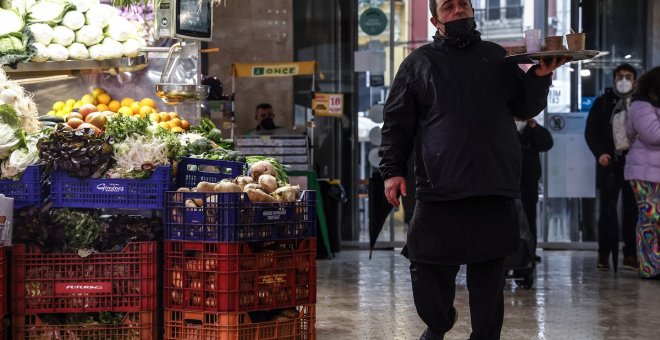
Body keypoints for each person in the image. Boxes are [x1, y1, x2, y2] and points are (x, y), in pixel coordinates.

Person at [379, 0, 566, 339]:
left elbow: (525, 107)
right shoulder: (418, 64)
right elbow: (396, 123)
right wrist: (392, 170)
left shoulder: (497, 57)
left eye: (463, 4)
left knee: (489, 283)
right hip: (440, 189)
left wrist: (539, 76)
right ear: (436, 20)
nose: (458, 11)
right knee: (426, 270)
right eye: (449, 7)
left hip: (493, 187)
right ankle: (438, 323)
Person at [584, 63, 639, 271]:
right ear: (614, 79)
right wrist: (600, 154)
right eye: (620, 76)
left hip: (633, 164)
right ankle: (604, 253)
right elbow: (591, 132)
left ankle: (631, 253)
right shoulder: (603, 103)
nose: (623, 80)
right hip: (608, 164)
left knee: (632, 210)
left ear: (634, 81)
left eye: (628, 76)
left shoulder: (640, 104)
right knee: (607, 211)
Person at [624, 66, 660, 279]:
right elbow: (654, 135)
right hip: (645, 174)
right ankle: (650, 267)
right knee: (649, 219)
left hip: (654, 172)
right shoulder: (641, 105)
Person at [516, 118, 553, 262]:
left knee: (529, 217)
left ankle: (529, 251)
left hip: (528, 182)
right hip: (509, 180)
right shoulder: (505, 127)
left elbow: (547, 143)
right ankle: (510, 252)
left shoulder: (532, 129)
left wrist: (534, 127)